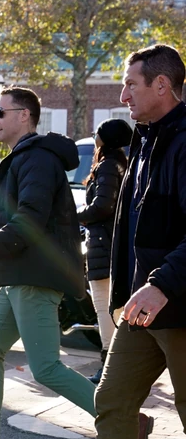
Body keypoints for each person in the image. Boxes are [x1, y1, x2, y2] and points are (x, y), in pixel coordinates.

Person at [0, 87, 152, 439]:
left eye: (0, 113)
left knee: (46, 366)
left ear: (25, 116)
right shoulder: (27, 157)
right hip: (19, 274)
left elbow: (28, 221)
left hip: (33, 274)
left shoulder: (36, 159)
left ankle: (126, 423)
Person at [34, 44, 186, 439]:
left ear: (162, 86)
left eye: (131, 85)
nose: (122, 95)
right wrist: (125, 291)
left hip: (178, 305)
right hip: (141, 307)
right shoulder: (143, 141)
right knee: (112, 403)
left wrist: (163, 284)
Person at [77, 118, 133, 384]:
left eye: (97, 133)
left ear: (105, 139)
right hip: (111, 243)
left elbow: (102, 206)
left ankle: (109, 370)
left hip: (104, 244)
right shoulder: (120, 163)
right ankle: (117, 368)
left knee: (106, 309)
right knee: (115, 310)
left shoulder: (108, 165)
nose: (94, 136)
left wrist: (74, 215)